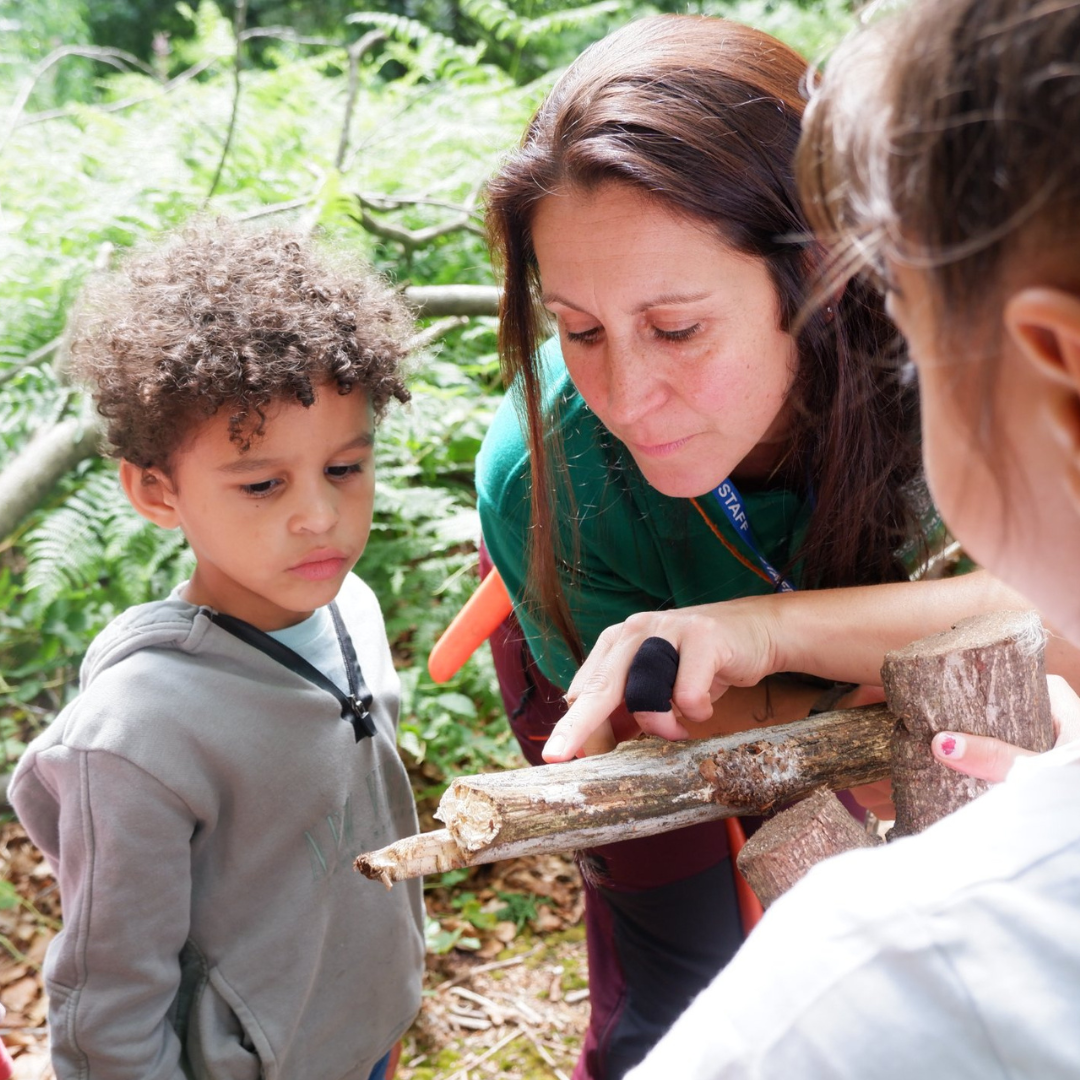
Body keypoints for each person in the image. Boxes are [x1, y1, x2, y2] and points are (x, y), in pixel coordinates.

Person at [475, 13, 1080, 1079]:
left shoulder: (938, 352)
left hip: (827, 663)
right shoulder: (549, 480)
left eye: (677, 330)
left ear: (813, 280)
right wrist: (843, 720)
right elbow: (648, 724)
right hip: (632, 688)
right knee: (676, 974)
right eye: (577, 330)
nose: (623, 393)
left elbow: (1052, 612)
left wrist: (767, 627)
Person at [8, 221, 425, 1079]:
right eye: (263, 483)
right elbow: (108, 1017)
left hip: (368, 1035)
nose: (318, 515)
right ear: (156, 491)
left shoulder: (356, 607)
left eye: (344, 469)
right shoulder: (133, 740)